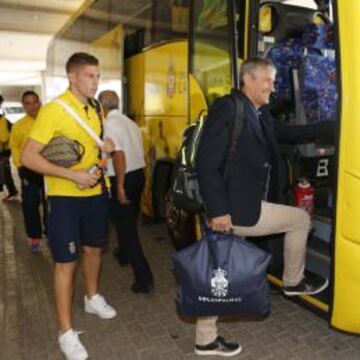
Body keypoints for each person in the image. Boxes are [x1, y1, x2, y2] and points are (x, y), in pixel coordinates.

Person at [194, 58, 333, 357]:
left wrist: (337, 125)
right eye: (267, 80)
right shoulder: (228, 108)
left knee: (223, 272)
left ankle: (205, 339)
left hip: (245, 204)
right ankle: (293, 282)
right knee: (298, 220)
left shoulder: (260, 113)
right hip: (234, 210)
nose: (272, 86)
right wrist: (218, 211)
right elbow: (205, 163)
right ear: (249, 81)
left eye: (273, 80)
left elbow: (291, 134)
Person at [21, 52, 116, 360]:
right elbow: (28, 157)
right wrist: (71, 175)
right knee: (65, 263)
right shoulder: (54, 110)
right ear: (73, 77)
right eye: (90, 76)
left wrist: (106, 150)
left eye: (98, 76)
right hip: (65, 200)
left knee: (94, 249)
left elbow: (91, 149)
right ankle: (65, 332)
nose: (96, 81)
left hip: (97, 194)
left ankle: (92, 297)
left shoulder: (97, 107)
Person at [99, 90, 154, 294]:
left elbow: (119, 155)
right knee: (127, 220)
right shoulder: (130, 123)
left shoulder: (110, 124)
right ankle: (122, 254)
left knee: (126, 229)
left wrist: (120, 186)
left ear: (102, 107)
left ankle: (144, 278)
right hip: (138, 176)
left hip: (123, 178)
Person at [9, 91, 47, 252]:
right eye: (28, 103)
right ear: (24, 105)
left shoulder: (48, 121)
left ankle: (52, 233)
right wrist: (19, 166)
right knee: (30, 205)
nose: (32, 106)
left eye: (35, 102)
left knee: (50, 204)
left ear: (39, 102)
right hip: (29, 170)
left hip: (49, 169)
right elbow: (15, 147)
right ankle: (35, 238)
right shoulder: (19, 126)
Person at [0, 94, 18, 201]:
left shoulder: (4, 121)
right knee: (5, 173)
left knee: (5, 172)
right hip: (4, 152)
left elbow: (5, 137)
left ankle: (12, 191)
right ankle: (12, 191)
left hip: (3, 152)